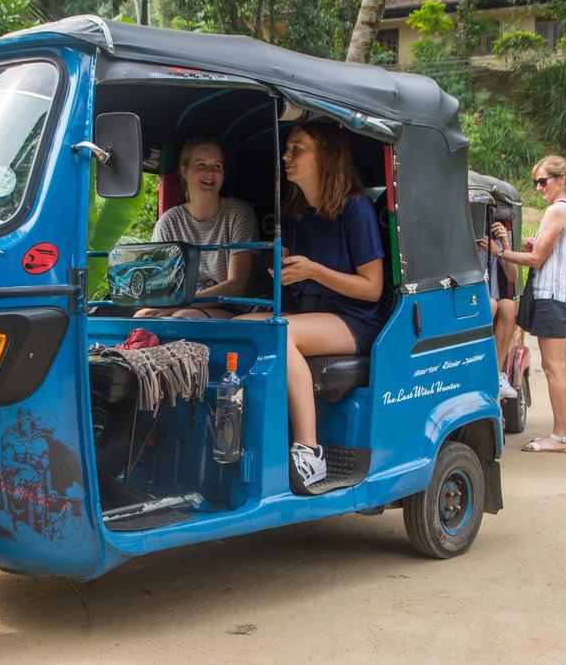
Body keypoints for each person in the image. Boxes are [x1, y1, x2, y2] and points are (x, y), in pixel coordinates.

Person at [236, 122, 386, 492]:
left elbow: (372, 289)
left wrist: (314, 271)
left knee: (280, 333)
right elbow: (296, 277)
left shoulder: (356, 209)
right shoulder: (295, 211)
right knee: (240, 324)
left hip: (354, 321)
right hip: (310, 311)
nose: (286, 157)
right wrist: (283, 268)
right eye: (287, 149)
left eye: (297, 149)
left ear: (326, 156)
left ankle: (309, 450)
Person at [497, 155, 566, 453]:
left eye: (543, 181)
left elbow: (536, 260)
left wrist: (499, 252)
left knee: (553, 366)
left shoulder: (556, 211)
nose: (539, 187)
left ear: (561, 180)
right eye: (536, 182)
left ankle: (559, 437)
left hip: (554, 297)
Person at [135, 139, 258, 319]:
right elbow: (157, 282)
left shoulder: (238, 213)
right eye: (201, 165)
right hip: (182, 304)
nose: (210, 172)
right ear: (184, 171)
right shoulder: (169, 221)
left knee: (184, 316)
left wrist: (181, 303)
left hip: (232, 307)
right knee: (141, 316)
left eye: (217, 166)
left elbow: (236, 286)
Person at [478, 221, 519, 399]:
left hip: (493, 298)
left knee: (507, 306)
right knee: (492, 304)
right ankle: (478, 369)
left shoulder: (499, 238)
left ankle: (497, 374)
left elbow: (513, 276)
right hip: (471, 299)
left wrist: (503, 246)